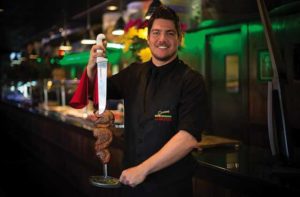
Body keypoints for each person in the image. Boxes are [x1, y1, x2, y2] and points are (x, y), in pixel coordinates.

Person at [70, 5, 207, 197]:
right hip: (132, 185)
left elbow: (188, 138)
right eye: (156, 33)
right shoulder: (134, 73)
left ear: (179, 38)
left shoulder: (191, 80)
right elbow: (98, 92)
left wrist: (143, 169)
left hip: (170, 187)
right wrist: (93, 66)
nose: (162, 39)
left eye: (169, 33)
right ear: (148, 37)